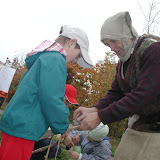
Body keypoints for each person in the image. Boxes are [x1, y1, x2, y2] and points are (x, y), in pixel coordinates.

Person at [73, 11, 160, 160]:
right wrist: (94, 109)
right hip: (139, 126)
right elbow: (116, 93)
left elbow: (143, 95)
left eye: (113, 41)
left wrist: (101, 116)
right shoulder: (122, 63)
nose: (111, 48)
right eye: (107, 44)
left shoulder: (153, 51)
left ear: (126, 36)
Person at [0, 25, 93, 160]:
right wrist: (63, 125)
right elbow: (52, 100)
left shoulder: (44, 58)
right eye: (78, 55)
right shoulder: (55, 60)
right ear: (71, 42)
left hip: (17, 123)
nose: (76, 60)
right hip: (23, 127)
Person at [30, 84, 79, 160]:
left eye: (70, 104)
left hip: (38, 138)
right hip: (31, 136)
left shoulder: (61, 112)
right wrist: (63, 138)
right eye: (67, 101)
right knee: (55, 148)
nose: (67, 106)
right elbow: (45, 131)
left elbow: (55, 133)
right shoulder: (46, 105)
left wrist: (67, 142)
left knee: (55, 148)